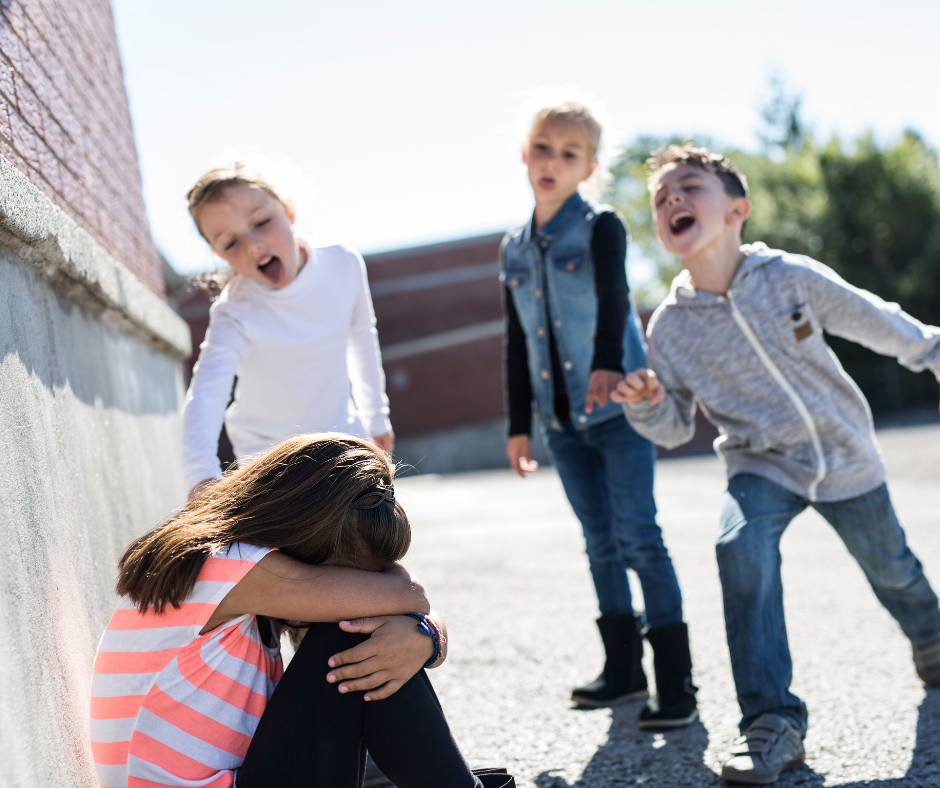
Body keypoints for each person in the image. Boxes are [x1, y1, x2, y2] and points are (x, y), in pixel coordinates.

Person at [613, 142, 940, 784]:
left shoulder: (788, 276)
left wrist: (930, 350)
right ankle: (772, 721)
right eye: (661, 197)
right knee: (741, 548)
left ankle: (930, 637)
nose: (673, 198)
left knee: (894, 570)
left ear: (737, 210)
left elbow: (870, 317)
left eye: (690, 187)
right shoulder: (670, 328)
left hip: (844, 453)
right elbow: (674, 425)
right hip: (761, 465)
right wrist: (648, 403)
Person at [90, 433, 516, 788]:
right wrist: (420, 626)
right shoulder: (227, 564)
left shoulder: (233, 567)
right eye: (349, 579)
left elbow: (408, 602)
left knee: (373, 636)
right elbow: (409, 594)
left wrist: (426, 638)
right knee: (353, 634)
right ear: (305, 536)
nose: (355, 591)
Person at [501, 103, 696, 728]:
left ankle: (677, 685)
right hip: (561, 425)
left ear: (588, 166)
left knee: (639, 535)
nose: (552, 161)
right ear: (524, 154)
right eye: (542, 147)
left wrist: (610, 366)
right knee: (599, 542)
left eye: (568, 152)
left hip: (618, 414)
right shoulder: (513, 247)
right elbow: (516, 338)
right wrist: (518, 425)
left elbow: (616, 298)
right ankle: (622, 673)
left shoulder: (601, 226)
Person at [181, 164, 394, 502]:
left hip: (344, 445)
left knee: (372, 539)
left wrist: (376, 418)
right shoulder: (233, 312)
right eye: (232, 242)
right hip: (269, 465)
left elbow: (362, 339)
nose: (253, 245)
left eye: (262, 222)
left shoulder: (343, 265)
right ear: (219, 254)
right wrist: (201, 474)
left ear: (288, 211)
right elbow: (206, 393)